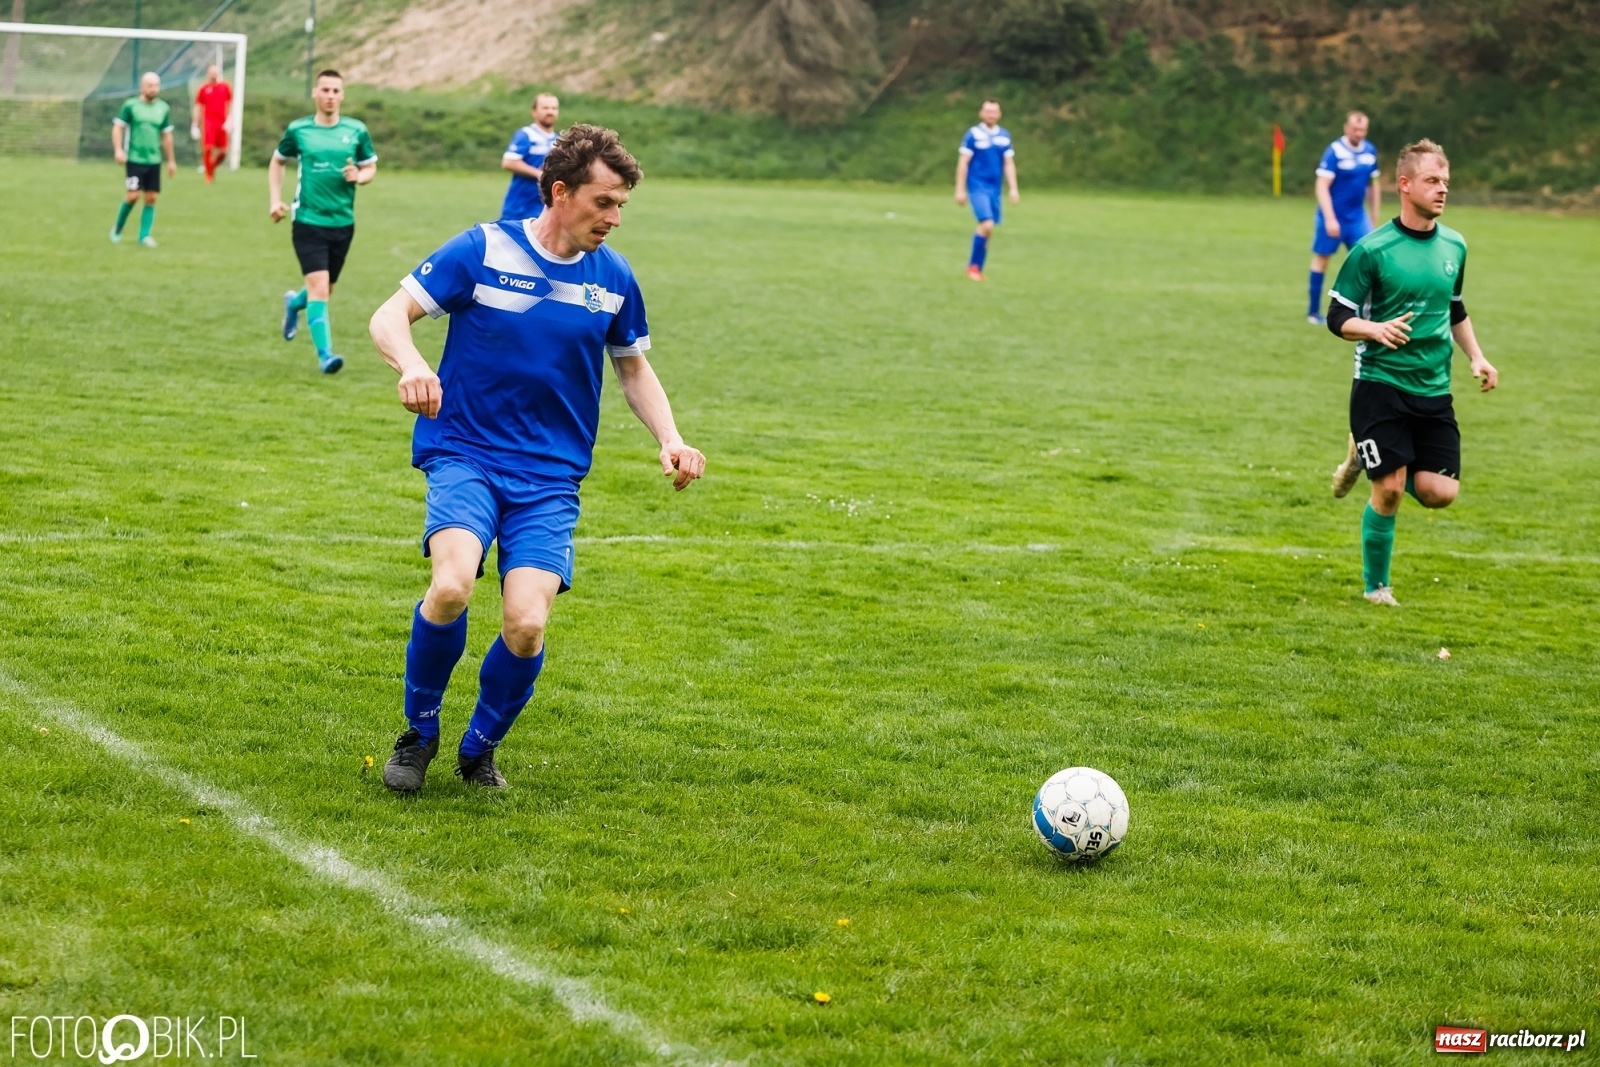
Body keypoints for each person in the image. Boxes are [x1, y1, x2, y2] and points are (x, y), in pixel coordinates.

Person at [367, 124, 706, 792]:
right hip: (466, 452)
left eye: (621, 207)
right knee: (452, 583)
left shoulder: (613, 277)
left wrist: (671, 438)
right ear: (559, 191)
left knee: (526, 623)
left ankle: (478, 747)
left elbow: (633, 367)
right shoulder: (484, 248)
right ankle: (419, 731)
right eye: (603, 202)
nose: (613, 218)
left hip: (550, 477)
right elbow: (389, 315)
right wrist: (410, 363)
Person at [1325, 139, 1498, 606]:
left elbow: (1454, 309)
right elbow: (1337, 317)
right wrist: (1374, 329)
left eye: (1445, 182)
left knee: (1439, 493)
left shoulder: (1455, 246)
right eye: (1432, 181)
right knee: (1391, 490)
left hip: (1433, 387)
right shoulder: (1372, 250)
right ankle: (1376, 587)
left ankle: (1367, 454)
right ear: (1405, 185)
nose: (1442, 190)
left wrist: (1477, 357)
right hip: (1380, 384)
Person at [269, 69, 377, 375]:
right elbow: (278, 160)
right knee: (320, 290)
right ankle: (326, 355)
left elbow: (370, 168)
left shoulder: (356, 131)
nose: (330, 96)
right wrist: (275, 200)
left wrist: (360, 176)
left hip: (343, 222)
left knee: (325, 288)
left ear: (342, 95)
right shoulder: (299, 130)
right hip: (307, 220)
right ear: (315, 93)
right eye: (325, 90)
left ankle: (293, 303)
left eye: (335, 91)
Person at [1307, 111, 1380, 324]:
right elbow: (1321, 186)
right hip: (1333, 216)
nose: (1359, 133)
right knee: (1322, 259)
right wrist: (1330, 218)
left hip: (1357, 217)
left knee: (1366, 262)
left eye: (1363, 130)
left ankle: (1363, 314)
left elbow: (1373, 186)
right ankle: (1313, 312)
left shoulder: (1370, 151)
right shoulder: (1334, 151)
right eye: (1355, 129)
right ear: (1346, 128)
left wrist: (1373, 217)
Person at [954, 98, 1019, 282]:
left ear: (999, 114)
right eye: (987, 111)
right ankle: (973, 267)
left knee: (988, 229)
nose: (990, 115)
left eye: (994, 111)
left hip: (994, 189)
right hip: (977, 186)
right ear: (981, 113)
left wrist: (1013, 188)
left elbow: (1008, 163)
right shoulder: (973, 134)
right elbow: (963, 163)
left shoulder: (1004, 135)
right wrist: (960, 189)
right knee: (987, 224)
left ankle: (978, 269)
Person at [109, 72, 176, 248]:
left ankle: (144, 236)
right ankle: (117, 229)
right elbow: (118, 127)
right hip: (135, 159)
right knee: (132, 196)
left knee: (152, 197)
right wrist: (118, 150)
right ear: (142, 87)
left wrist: (171, 160)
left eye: (157, 86)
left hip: (154, 160)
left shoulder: (163, 108)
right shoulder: (130, 106)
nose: (154, 89)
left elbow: (167, 135)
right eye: (150, 86)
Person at [500, 92, 559, 221]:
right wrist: (538, 174)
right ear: (534, 112)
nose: (550, 112)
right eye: (545, 108)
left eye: (554, 108)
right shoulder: (526, 135)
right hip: (520, 207)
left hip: (545, 209)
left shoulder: (558, 140)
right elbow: (509, 162)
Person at [190, 64, 233, 184]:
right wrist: (194, 124)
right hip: (209, 123)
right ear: (208, 74)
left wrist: (230, 119)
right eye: (212, 73)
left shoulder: (225, 87)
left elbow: (230, 104)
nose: (214, 75)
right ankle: (208, 176)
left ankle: (211, 167)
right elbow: (198, 107)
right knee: (208, 148)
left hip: (222, 123)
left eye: (216, 73)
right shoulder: (203, 89)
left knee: (224, 151)